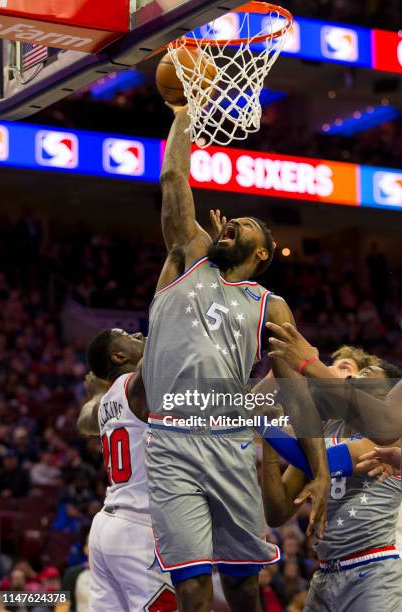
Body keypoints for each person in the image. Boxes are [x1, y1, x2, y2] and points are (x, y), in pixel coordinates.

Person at [142, 105, 329, 611]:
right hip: (172, 438)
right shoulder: (189, 255)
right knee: (193, 588)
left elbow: (296, 395)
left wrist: (320, 469)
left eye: (243, 225)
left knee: (244, 586)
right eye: (230, 222)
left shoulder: (269, 303)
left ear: (263, 252)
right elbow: (174, 176)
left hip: (228, 441)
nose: (231, 224)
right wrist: (184, 114)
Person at [261, 361, 402, 612]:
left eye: (366, 373)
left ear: (386, 393)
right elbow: (276, 514)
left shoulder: (390, 436)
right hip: (325, 571)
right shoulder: (326, 429)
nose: (354, 377)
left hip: (372, 569)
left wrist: (264, 426)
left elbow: (325, 462)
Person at [77, 329, 177, 612]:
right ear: (118, 356)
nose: (136, 333)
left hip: (106, 527)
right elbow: (162, 330)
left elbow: (83, 420)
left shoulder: (106, 401)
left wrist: (96, 393)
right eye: (126, 335)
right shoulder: (135, 388)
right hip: (140, 528)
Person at [265, 321, 402, 440]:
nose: (329, 369)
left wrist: (310, 363)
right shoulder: (325, 425)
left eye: (345, 368)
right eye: (330, 365)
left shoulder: (390, 433)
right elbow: (248, 420)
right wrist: (274, 375)